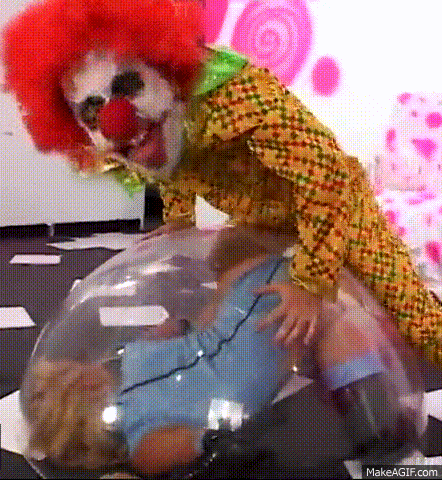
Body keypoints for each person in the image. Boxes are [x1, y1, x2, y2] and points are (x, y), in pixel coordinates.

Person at [3, 0, 442, 363]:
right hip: (262, 217)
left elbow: (324, 178)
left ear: (163, 70)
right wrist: (178, 219)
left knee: (417, 319)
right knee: (222, 273)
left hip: (332, 203)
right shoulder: (153, 122)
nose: (115, 121)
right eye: (91, 111)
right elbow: (174, 161)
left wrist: (311, 284)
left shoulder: (236, 96)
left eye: (128, 86)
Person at [22, 227, 419, 477]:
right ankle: (386, 444)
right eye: (82, 368)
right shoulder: (142, 438)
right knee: (335, 325)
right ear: (86, 384)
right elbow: (201, 444)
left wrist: (174, 335)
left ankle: (339, 298)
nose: (94, 364)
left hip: (243, 322)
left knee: (242, 262)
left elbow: (180, 337)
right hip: (268, 317)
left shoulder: (130, 372)